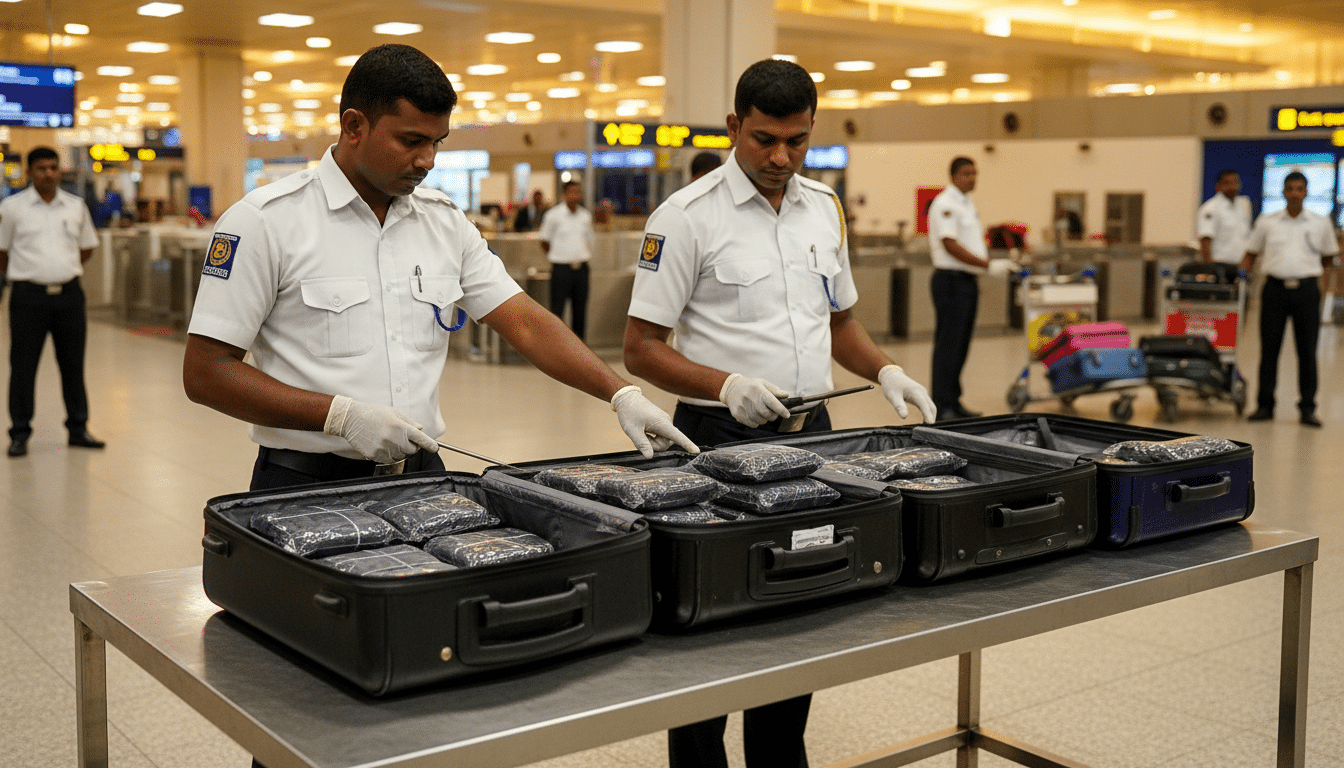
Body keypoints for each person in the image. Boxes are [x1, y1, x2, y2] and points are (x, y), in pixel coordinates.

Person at [182, 43, 696, 506]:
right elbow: (206, 372)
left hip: (422, 476)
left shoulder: (443, 221)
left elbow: (526, 323)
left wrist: (619, 393)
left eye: (437, 142)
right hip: (307, 484)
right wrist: (337, 416)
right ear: (354, 125)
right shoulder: (266, 222)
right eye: (410, 141)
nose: (427, 159)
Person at [623, 57, 935, 768]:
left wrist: (886, 369)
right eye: (764, 139)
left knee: (797, 607)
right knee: (710, 623)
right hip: (715, 439)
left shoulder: (822, 207)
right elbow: (641, 349)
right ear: (733, 126)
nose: (780, 157)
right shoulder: (686, 217)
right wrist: (725, 383)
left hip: (811, 443)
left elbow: (841, 326)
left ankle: (778, 755)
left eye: (797, 141)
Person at [0, 146, 106, 458]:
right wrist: (35, 272)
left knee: (73, 365)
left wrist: (61, 270)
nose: (49, 173)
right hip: (27, 298)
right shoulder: (12, 208)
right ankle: (19, 432)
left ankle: (78, 428)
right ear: (30, 172)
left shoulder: (75, 206)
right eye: (42, 168)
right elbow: (2, 253)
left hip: (69, 297)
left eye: (53, 167)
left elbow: (86, 248)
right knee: (22, 367)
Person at [1240, 171, 1339, 427]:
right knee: (1269, 350)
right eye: (1290, 188)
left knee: (1307, 352)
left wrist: (1325, 288)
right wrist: (1239, 278)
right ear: (1283, 192)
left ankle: (1307, 408)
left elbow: (1329, 258)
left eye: (1299, 188)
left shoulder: (1319, 223)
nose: (1294, 193)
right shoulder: (1267, 221)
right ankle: (1264, 405)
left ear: (1306, 192)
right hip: (1274, 290)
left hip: (1307, 292)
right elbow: (1251, 253)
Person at [928, 156, 1000, 421]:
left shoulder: (966, 204)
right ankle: (941, 404)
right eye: (967, 174)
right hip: (950, 281)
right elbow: (950, 244)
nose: (972, 178)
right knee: (948, 344)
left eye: (974, 173)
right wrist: (986, 265)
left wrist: (978, 274)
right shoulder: (946, 204)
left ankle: (953, 399)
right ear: (954, 176)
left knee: (961, 345)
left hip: (965, 281)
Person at [538, 180, 594, 340]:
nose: (575, 195)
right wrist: (558, 255)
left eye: (578, 191)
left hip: (581, 269)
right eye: (572, 191)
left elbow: (589, 240)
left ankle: (580, 348)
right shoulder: (553, 215)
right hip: (561, 270)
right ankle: (556, 347)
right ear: (564, 194)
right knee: (557, 311)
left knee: (580, 311)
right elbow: (544, 241)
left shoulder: (585, 215)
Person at [1197, 169, 1252, 265]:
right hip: (1219, 264)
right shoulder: (1210, 208)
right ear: (1219, 186)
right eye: (1227, 183)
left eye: (1235, 182)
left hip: (1240, 264)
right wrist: (1209, 268)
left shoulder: (1242, 205)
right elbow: (1205, 240)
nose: (1232, 186)